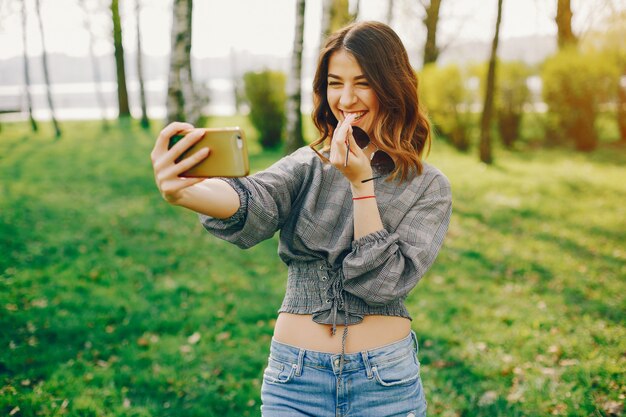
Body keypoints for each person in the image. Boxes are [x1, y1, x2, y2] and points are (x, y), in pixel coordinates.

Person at [151, 21, 451, 417]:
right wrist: (186, 192)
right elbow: (255, 199)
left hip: (385, 384)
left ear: (392, 87)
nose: (346, 99)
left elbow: (383, 284)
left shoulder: (428, 187)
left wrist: (362, 185)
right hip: (295, 380)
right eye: (334, 83)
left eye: (362, 83)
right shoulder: (308, 164)